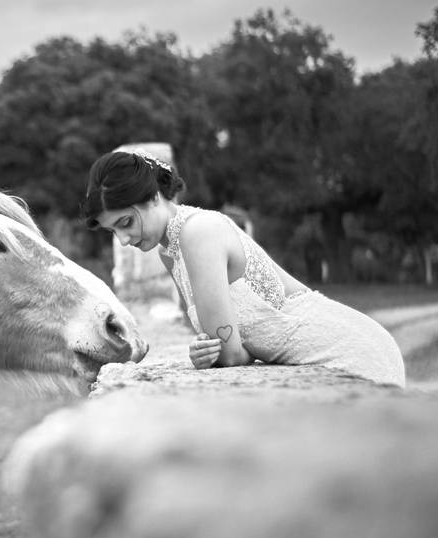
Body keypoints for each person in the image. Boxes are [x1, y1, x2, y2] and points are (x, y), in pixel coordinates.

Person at [80, 150, 406, 388]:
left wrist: (224, 349)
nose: (122, 240)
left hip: (346, 350)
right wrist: (202, 351)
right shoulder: (170, 251)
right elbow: (218, 343)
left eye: (125, 222)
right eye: (113, 231)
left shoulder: (199, 232)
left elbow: (232, 355)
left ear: (152, 197)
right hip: (314, 358)